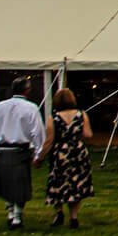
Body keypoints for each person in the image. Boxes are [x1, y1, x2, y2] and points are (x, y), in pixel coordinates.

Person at [0, 78, 45, 230]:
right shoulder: (31, 108)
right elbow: (37, 133)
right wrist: (38, 154)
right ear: (27, 90)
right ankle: (16, 216)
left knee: (7, 183)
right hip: (20, 151)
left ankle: (11, 213)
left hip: (2, 151)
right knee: (19, 185)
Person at [41, 88, 94, 227]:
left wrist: (40, 156)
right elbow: (88, 134)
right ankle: (74, 217)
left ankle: (59, 212)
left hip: (60, 153)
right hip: (78, 152)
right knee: (77, 183)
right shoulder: (82, 115)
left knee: (58, 182)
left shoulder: (53, 118)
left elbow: (49, 140)